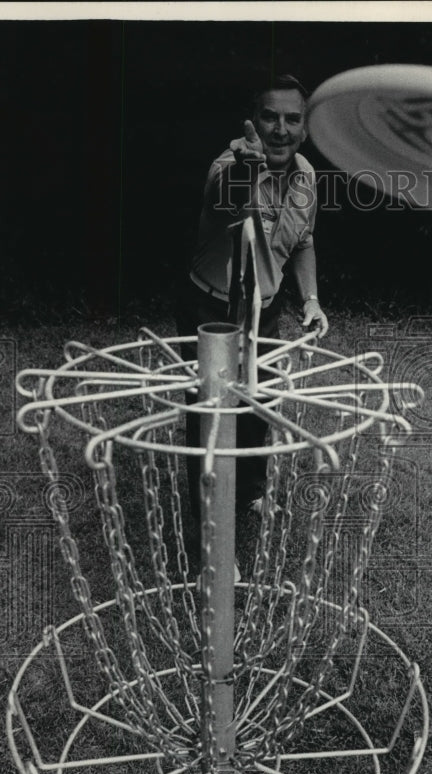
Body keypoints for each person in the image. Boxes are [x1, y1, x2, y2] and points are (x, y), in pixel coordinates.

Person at [179, 74, 329, 526]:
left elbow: (302, 242)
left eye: (291, 119)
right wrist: (248, 167)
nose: (280, 129)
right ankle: (208, 518)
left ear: (304, 129)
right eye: (270, 117)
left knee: (258, 402)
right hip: (212, 309)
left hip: (266, 307)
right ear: (253, 121)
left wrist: (312, 299)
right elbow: (226, 203)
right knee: (211, 412)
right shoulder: (229, 164)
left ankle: (250, 493)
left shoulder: (306, 175)